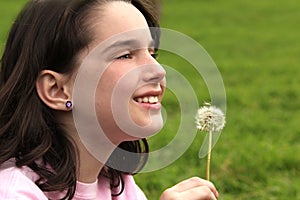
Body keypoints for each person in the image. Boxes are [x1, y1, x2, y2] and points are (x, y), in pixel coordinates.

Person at [0, 0, 219, 199]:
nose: (158, 71)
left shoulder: (118, 185)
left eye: (152, 54)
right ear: (57, 90)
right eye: (125, 54)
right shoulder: (12, 192)